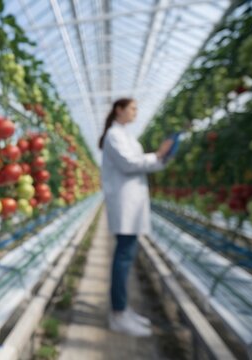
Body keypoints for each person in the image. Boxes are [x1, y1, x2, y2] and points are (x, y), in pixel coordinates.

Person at [99, 98, 173, 337]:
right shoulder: (114, 135)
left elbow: (140, 164)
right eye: (132, 108)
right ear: (119, 110)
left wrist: (160, 158)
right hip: (125, 203)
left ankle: (123, 310)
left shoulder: (124, 135)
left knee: (127, 256)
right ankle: (118, 314)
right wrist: (157, 155)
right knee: (123, 257)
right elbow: (129, 164)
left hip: (132, 202)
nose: (135, 112)